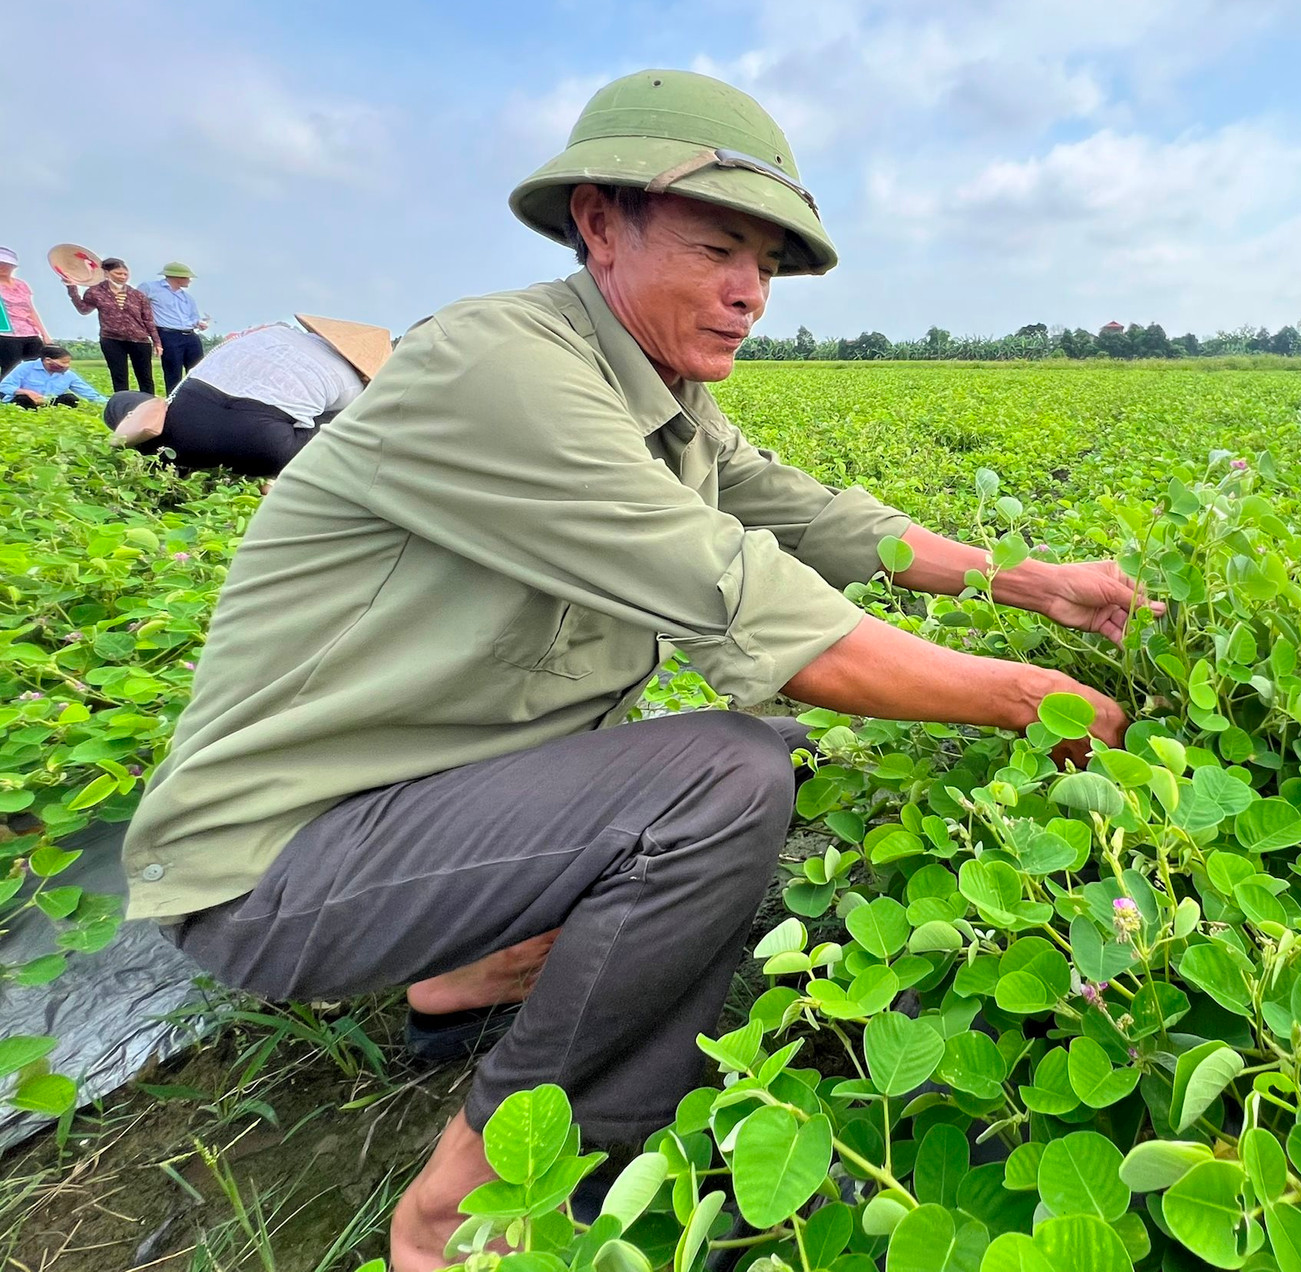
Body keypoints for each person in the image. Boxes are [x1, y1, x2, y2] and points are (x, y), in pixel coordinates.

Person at [122, 70, 1151, 1271]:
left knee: (749, 770)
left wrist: (1028, 581)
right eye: (718, 248)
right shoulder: (502, 367)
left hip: (402, 820)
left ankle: (465, 986)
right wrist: (1027, 699)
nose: (748, 293)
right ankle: (468, 1203)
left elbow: (815, 518)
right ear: (599, 222)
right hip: (273, 867)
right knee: (723, 779)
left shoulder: (660, 394)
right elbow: (748, 599)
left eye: (765, 265)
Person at [103, 316, 389, 477]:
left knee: (123, 401)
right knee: (339, 418)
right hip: (263, 451)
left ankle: (159, 453)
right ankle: (276, 481)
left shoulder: (269, 335)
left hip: (181, 435)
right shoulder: (353, 381)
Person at [65, 258, 159, 393]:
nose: (122, 277)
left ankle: (149, 405)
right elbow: (83, 309)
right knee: (119, 376)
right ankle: (121, 405)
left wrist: (157, 341)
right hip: (111, 339)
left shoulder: (137, 295)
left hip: (139, 339)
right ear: (106, 273)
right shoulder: (95, 292)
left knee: (145, 376)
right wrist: (72, 289)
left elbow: (148, 319)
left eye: (125, 274)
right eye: (118, 274)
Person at [139, 262, 208, 392]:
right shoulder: (149, 288)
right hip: (169, 335)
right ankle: (173, 403)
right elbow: (136, 304)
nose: (189, 280)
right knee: (173, 372)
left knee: (197, 371)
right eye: (187, 277)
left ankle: (196, 400)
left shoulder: (187, 298)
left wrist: (199, 323)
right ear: (177, 277)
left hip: (190, 335)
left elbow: (193, 317)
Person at [2, 345, 106, 408]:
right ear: (48, 360)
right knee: (23, 399)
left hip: (49, 403)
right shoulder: (26, 367)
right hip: (27, 402)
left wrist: (109, 403)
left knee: (70, 399)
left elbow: (88, 392)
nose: (67, 366)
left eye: (68, 363)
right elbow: (4, 386)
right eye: (63, 363)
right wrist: (27, 392)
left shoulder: (68, 375)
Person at [0, 246, 50, 377]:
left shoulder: (21, 285)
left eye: (7, 264)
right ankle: (6, 395)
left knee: (35, 367)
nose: (3, 267)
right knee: (10, 367)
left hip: (30, 332)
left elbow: (30, 310)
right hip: (6, 335)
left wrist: (44, 334)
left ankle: (31, 394)